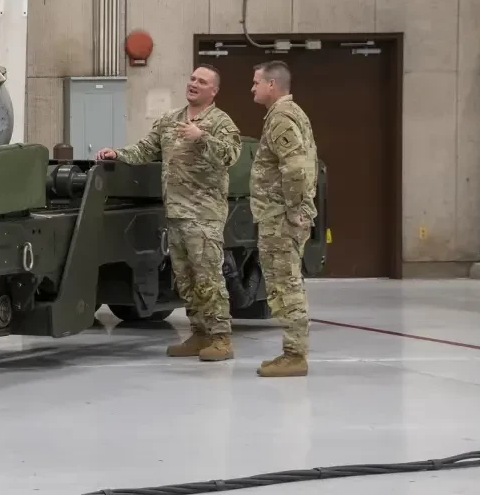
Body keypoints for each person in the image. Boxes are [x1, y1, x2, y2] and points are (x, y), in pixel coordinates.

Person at [97, 66, 243, 360]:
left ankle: (221, 338)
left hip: (204, 215)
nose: (193, 84)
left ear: (213, 90)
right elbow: (146, 149)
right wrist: (118, 154)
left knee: (208, 278)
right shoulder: (170, 120)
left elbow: (231, 155)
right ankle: (199, 334)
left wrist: (201, 137)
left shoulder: (220, 122)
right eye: (192, 78)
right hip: (175, 213)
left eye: (202, 81)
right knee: (185, 279)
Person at [249, 60, 318, 378]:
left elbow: (296, 168)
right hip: (281, 215)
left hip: (280, 217)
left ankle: (295, 355)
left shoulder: (281, 117)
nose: (252, 88)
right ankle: (292, 352)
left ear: (272, 85)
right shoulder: (290, 113)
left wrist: (292, 209)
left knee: (286, 284)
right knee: (285, 282)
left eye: (256, 82)